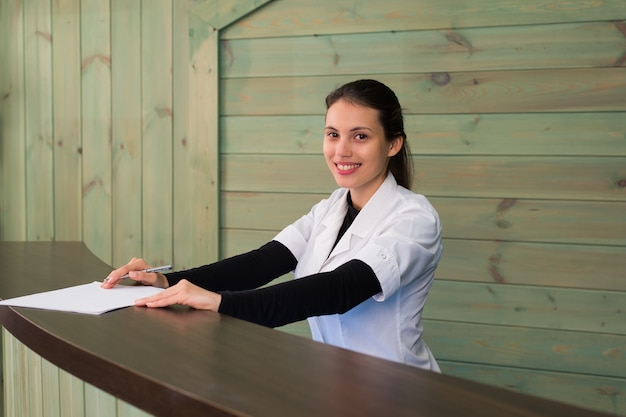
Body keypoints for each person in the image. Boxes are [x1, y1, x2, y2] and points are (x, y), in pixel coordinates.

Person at [103, 79, 443, 371]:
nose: (341, 151)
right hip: (336, 384)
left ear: (393, 144)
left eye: (360, 137)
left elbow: (339, 289)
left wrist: (221, 304)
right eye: (333, 134)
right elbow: (260, 264)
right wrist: (164, 281)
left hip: (398, 388)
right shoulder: (329, 210)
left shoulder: (414, 219)